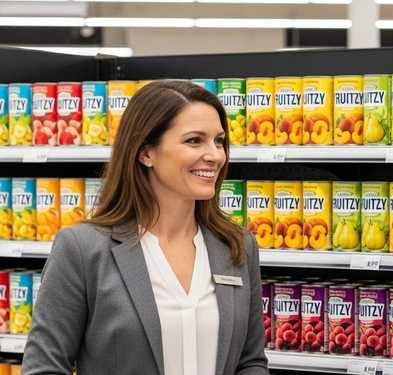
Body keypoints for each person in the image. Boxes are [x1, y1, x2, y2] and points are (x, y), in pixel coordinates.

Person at [23, 80, 269, 375]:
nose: (216, 155)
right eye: (194, 140)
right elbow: (44, 368)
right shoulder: (83, 249)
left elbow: (250, 362)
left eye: (219, 141)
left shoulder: (236, 245)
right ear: (145, 152)